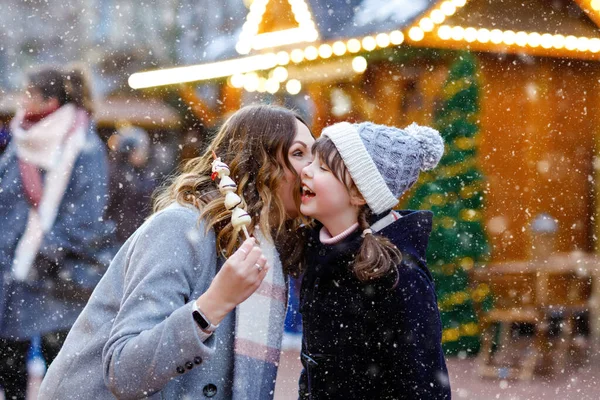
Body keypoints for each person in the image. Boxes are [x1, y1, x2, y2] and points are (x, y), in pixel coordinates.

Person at [39, 104, 315, 400]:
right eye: (299, 153)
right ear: (258, 163)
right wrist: (212, 305)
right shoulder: (180, 227)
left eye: (315, 154)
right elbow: (124, 370)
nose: (311, 168)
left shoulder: (270, 246)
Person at [298, 121, 451, 399]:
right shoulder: (321, 251)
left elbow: (422, 382)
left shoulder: (400, 276)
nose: (305, 170)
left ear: (358, 193)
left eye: (322, 168)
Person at [0, 65, 112, 400]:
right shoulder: (21, 138)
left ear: (50, 101)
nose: (23, 100)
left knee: (61, 368)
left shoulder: (84, 145)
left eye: (30, 93)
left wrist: (48, 250)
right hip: (13, 271)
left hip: (58, 275)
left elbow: (87, 213)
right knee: (9, 364)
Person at [106, 124, 156, 243]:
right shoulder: (116, 175)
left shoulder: (145, 173)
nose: (144, 154)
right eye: (140, 150)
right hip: (118, 238)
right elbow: (108, 208)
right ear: (128, 150)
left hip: (137, 234)